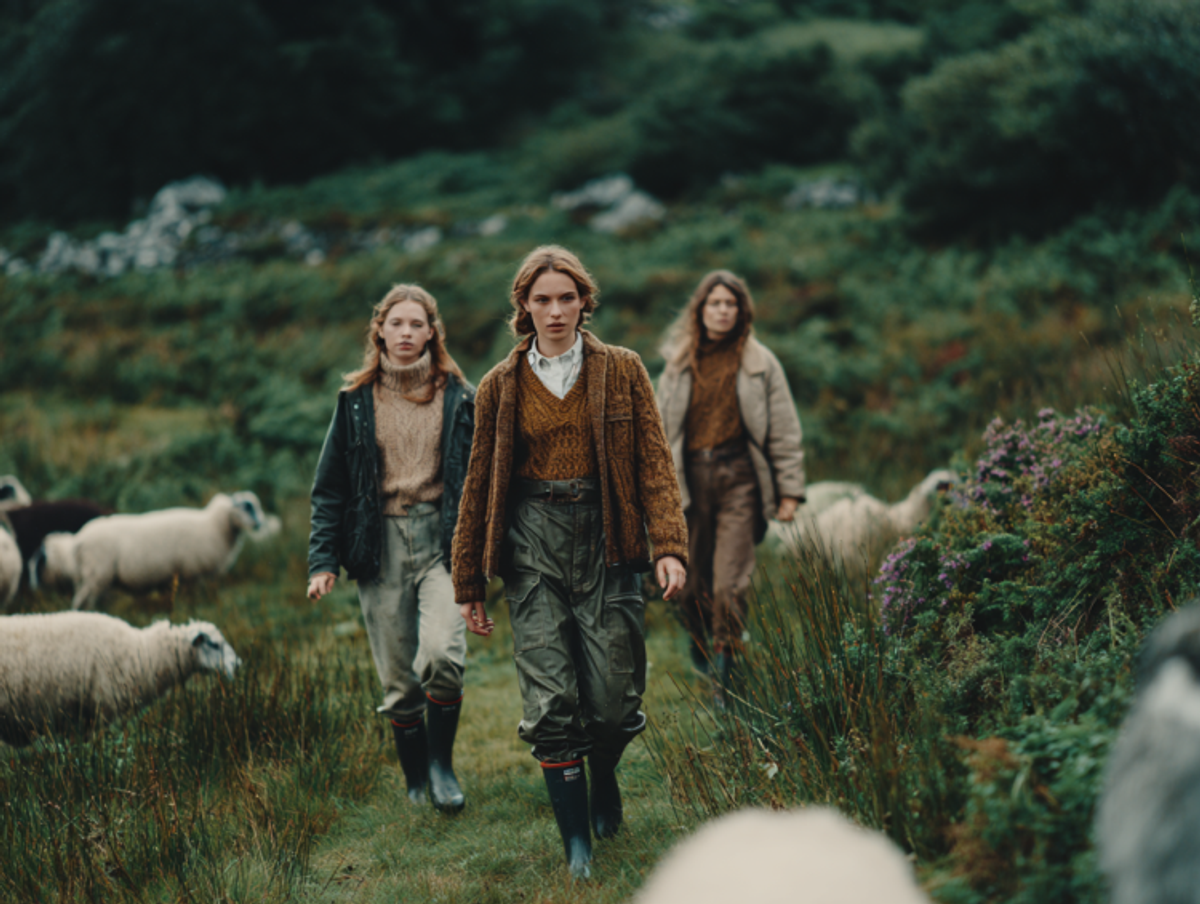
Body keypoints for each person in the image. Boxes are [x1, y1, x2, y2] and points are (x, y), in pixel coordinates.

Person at [452, 245, 688, 879]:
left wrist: (668, 546)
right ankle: (577, 846)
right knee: (552, 703)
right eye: (542, 300)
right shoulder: (500, 385)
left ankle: (603, 775)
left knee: (613, 702)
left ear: (585, 301)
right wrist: (468, 577)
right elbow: (479, 483)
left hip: (609, 541)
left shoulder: (623, 369)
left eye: (566, 298)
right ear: (523, 308)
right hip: (531, 543)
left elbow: (655, 464)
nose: (555, 311)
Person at [307, 284, 475, 813]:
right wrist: (322, 561)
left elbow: (478, 478)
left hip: (442, 543)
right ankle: (415, 780)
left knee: (443, 656)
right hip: (378, 547)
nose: (406, 333)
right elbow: (329, 489)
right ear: (379, 329)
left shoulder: (459, 396)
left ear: (432, 332)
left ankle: (441, 766)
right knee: (399, 681)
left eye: (416, 324)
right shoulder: (354, 402)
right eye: (396, 323)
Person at [656, 270, 805, 696]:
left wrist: (790, 491)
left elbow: (784, 428)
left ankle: (727, 677)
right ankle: (700, 643)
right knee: (688, 587)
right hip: (689, 481)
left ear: (742, 311)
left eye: (730, 304)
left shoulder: (761, 363)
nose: (722, 310)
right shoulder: (679, 362)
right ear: (700, 310)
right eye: (714, 303)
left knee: (730, 584)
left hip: (741, 478)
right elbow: (661, 431)